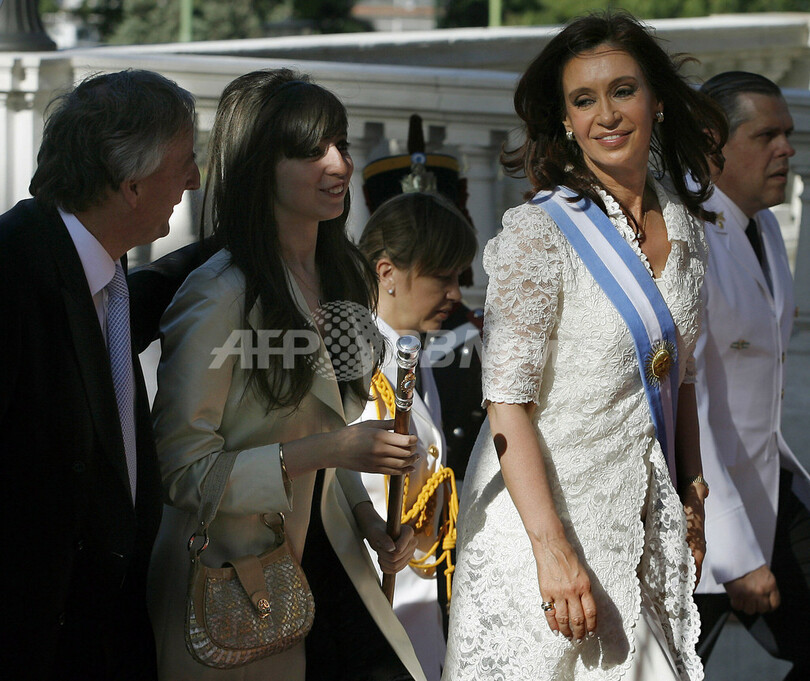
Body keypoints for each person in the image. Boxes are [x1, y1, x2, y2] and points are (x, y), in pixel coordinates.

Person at [443, 11, 728, 680]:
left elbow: (680, 375)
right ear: (566, 120)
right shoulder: (539, 234)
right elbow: (506, 405)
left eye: (623, 90)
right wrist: (553, 553)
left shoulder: (685, 226)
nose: (607, 114)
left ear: (656, 101)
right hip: (541, 538)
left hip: (642, 535)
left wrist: (691, 490)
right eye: (583, 99)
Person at [147, 68, 426, 681]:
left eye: (341, 144)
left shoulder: (344, 278)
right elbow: (183, 473)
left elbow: (326, 438)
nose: (340, 165)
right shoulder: (218, 295)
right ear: (258, 167)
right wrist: (334, 449)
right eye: (310, 150)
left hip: (329, 570)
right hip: (233, 591)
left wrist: (367, 519)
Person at [0, 70, 199, 680]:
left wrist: (245, 240)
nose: (194, 181)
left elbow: (131, 310)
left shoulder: (100, 271)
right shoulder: (12, 273)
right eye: (185, 163)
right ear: (132, 184)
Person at [693, 71, 810, 680]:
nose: (786, 149)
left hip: (771, 493)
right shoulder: (686, 238)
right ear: (712, 143)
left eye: (787, 134)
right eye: (767, 136)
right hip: (703, 514)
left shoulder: (760, 224)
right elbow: (691, 407)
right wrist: (733, 552)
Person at [356, 191, 478, 680]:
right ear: (387, 272)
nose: (456, 294)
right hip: (367, 609)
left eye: (458, 278)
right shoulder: (347, 356)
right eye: (442, 277)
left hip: (421, 604)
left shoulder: (414, 353)